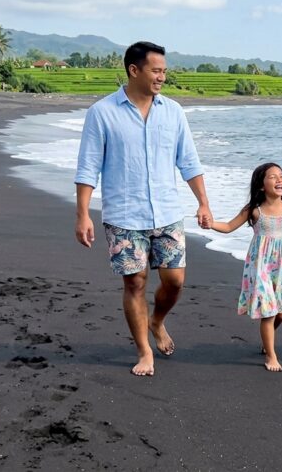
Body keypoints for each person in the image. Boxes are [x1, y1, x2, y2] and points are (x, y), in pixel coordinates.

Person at [74, 41, 213, 377]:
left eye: (164, 71)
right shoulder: (102, 112)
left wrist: (203, 202)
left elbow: (188, 161)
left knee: (175, 281)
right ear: (134, 70)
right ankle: (144, 351)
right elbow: (88, 167)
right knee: (135, 283)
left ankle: (157, 320)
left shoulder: (173, 112)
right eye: (156, 70)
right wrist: (83, 214)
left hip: (167, 212)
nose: (162, 77)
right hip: (124, 215)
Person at [209, 162, 282, 372]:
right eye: (273, 177)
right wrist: (211, 224)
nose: (279, 180)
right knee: (269, 312)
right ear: (261, 185)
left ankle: (267, 338)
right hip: (260, 264)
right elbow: (229, 226)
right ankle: (271, 355)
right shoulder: (254, 210)